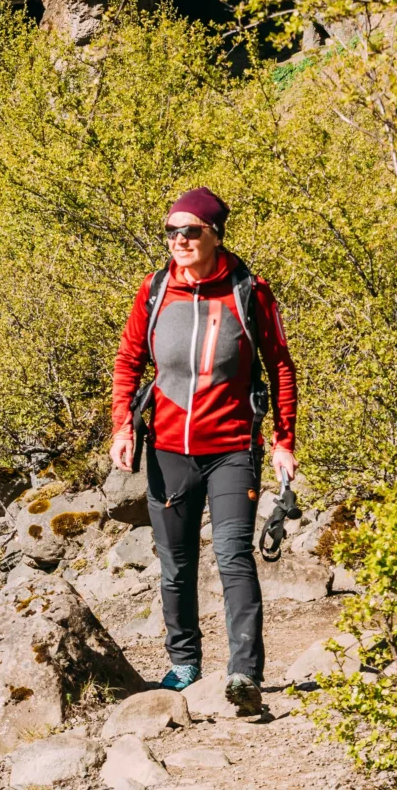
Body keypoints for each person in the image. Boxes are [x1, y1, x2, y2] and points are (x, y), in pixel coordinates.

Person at [110, 186, 297, 716]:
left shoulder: (249, 291)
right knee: (175, 563)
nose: (179, 240)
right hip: (168, 448)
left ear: (215, 234)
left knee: (234, 557)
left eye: (191, 231)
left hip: (233, 448)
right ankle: (185, 663)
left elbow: (281, 367)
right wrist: (123, 427)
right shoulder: (154, 290)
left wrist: (284, 441)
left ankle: (244, 672)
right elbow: (129, 361)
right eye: (171, 231)